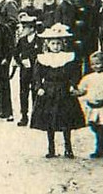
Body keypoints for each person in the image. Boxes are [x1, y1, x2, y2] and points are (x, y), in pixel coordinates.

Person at [30, 23, 85, 158]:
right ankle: (51, 148)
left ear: (63, 44)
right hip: (49, 91)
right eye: (53, 43)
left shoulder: (68, 58)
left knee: (66, 120)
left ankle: (68, 147)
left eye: (58, 44)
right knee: (50, 121)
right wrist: (39, 87)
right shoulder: (43, 59)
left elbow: (74, 73)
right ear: (48, 44)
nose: (56, 46)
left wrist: (73, 85)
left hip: (63, 90)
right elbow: (37, 75)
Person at [75, 50, 103, 159]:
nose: (95, 66)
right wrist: (76, 92)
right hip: (93, 107)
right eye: (93, 64)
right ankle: (99, 149)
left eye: (98, 63)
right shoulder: (89, 77)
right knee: (95, 127)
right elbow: (82, 89)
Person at [13, 12, 39, 126]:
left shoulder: (40, 40)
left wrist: (32, 61)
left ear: (32, 28)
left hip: (36, 71)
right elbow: (15, 53)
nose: (23, 29)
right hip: (24, 71)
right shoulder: (22, 40)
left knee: (35, 92)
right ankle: (24, 116)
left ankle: (36, 116)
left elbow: (42, 55)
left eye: (26, 27)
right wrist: (21, 62)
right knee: (23, 93)